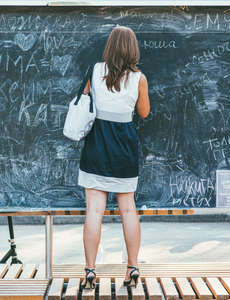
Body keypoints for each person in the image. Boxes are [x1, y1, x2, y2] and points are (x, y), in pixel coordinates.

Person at [77, 26, 150, 289]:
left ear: (109, 46)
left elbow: (84, 101)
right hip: (124, 147)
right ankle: (132, 267)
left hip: (97, 144)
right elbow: (143, 113)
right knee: (128, 209)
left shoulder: (95, 71)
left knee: (94, 211)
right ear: (132, 49)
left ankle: (89, 270)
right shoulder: (139, 78)